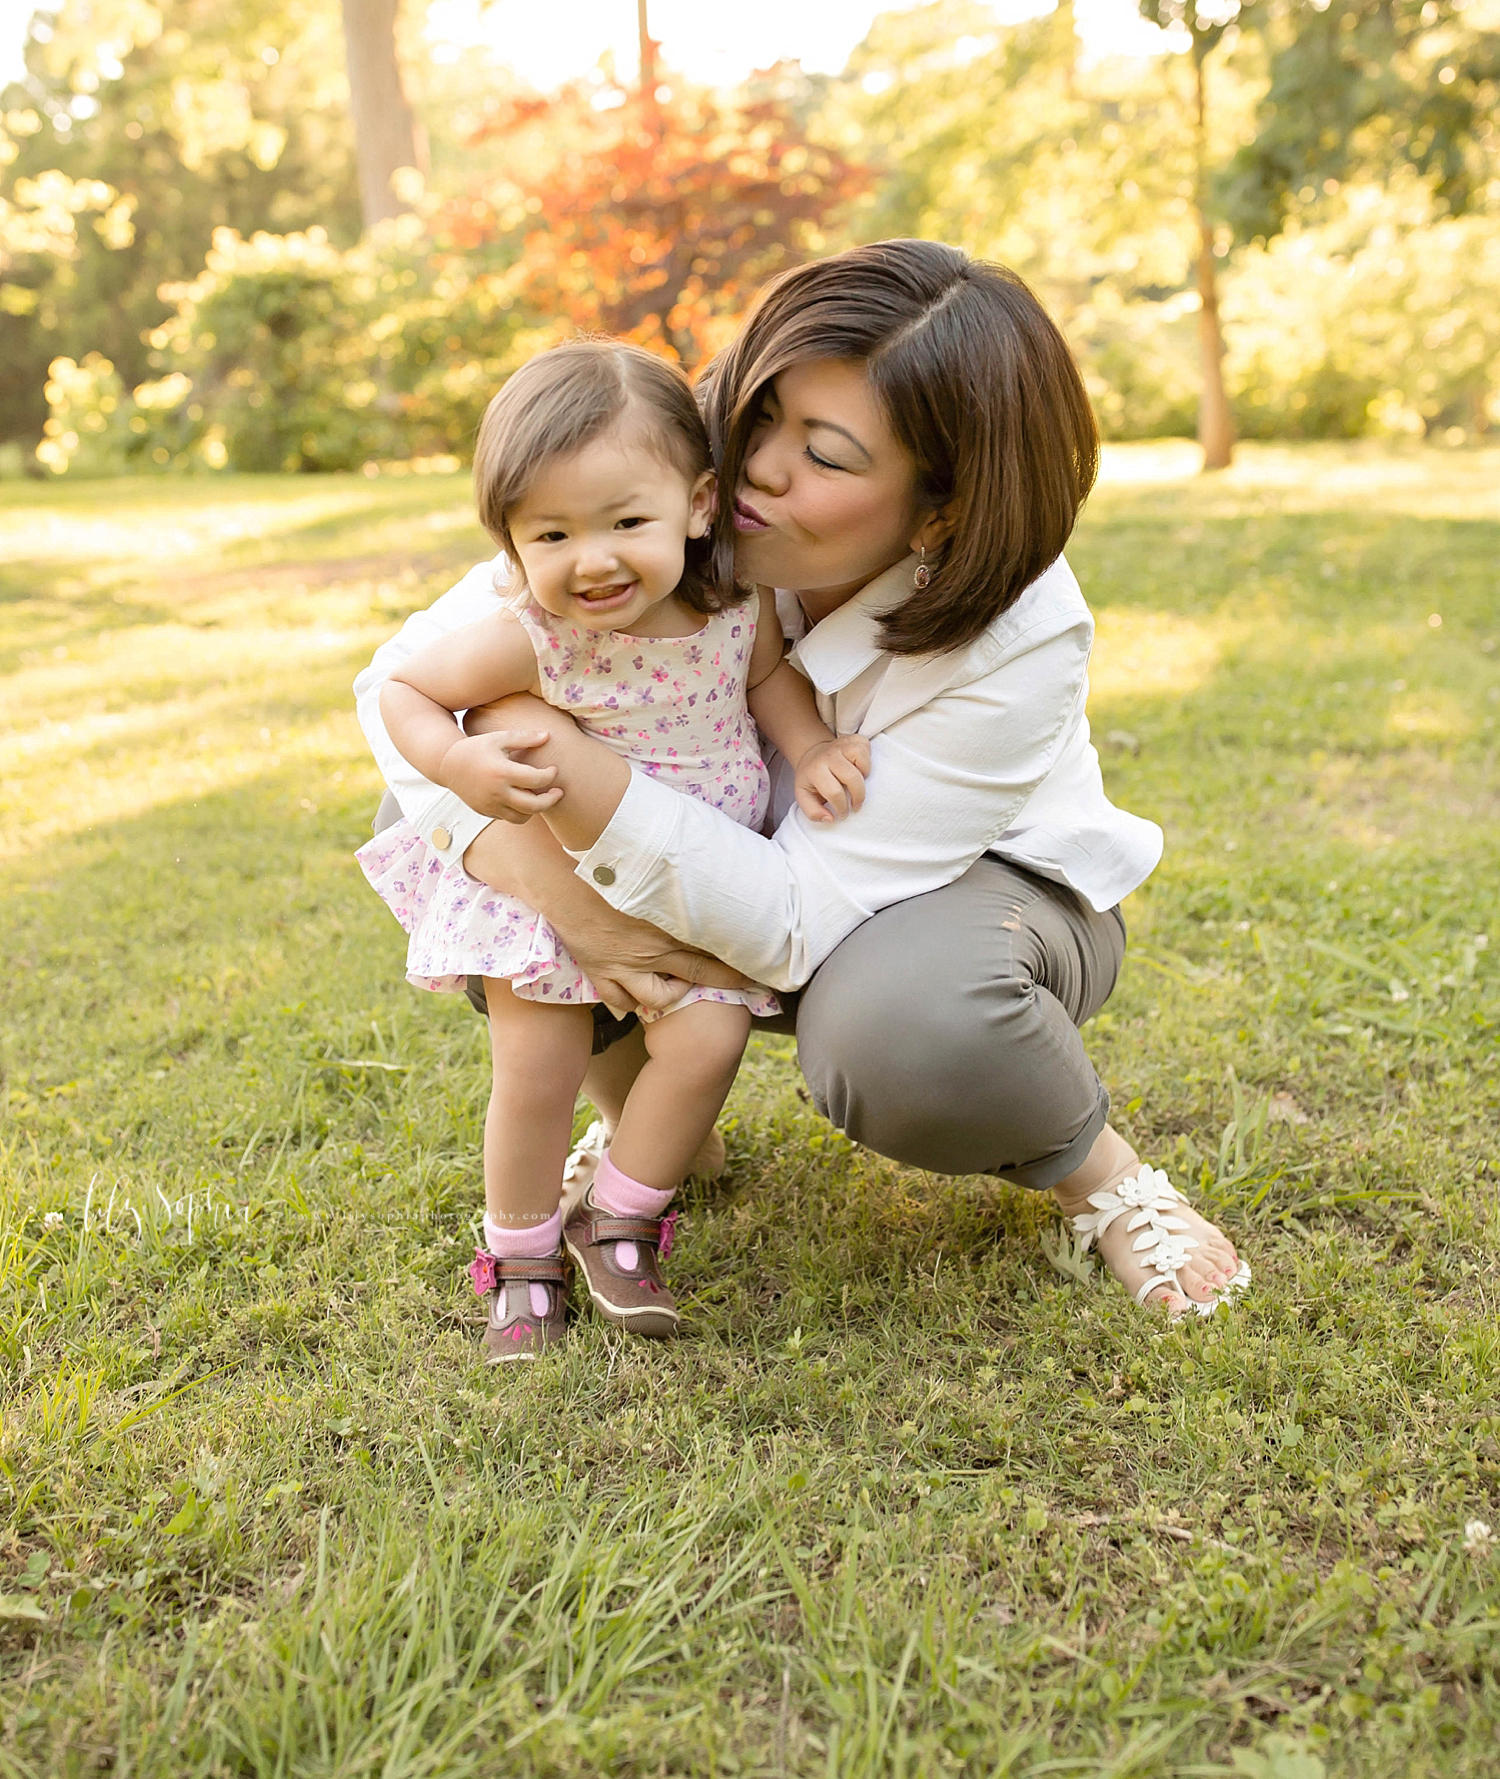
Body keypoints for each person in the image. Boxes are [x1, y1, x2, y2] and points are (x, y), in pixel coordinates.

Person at [356, 241, 1251, 1327]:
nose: (758, 468)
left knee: (906, 1030)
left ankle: (1096, 1170)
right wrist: (558, 887)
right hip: (714, 852)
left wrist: (575, 773)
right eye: (759, 411)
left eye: (823, 454)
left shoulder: (1023, 636)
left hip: (957, 905)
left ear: (940, 509)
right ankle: (655, 1123)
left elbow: (792, 921)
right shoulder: (656, 468)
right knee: (452, 795)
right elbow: (398, 687)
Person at [356, 339, 869, 1363]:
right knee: (537, 1071)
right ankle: (519, 1256)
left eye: (626, 521)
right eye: (552, 532)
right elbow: (403, 690)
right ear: (511, 542)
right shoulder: (535, 636)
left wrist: (810, 745)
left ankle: (621, 1218)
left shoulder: (738, 608)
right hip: (555, 890)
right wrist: (457, 763)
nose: (592, 559)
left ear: (697, 502)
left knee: (708, 1045)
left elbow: (769, 686)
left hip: (692, 887)